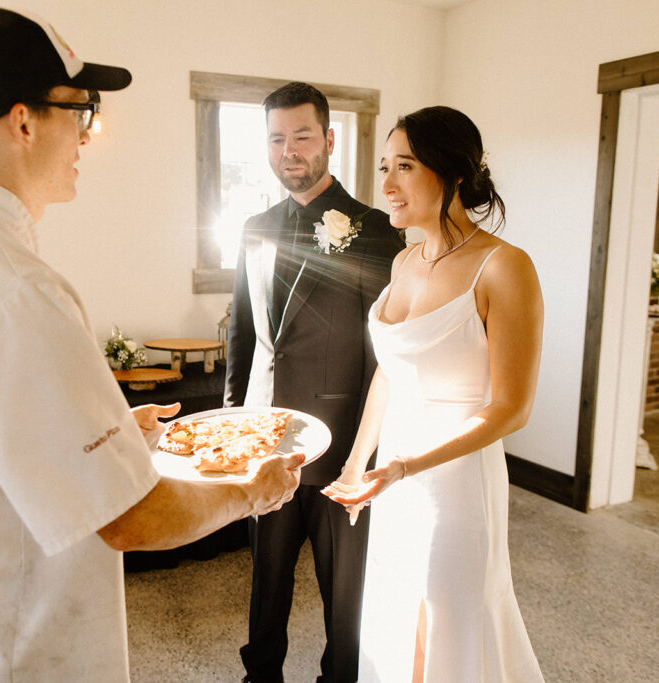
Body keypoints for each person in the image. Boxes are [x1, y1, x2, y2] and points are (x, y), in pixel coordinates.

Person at [0, 5, 302, 681]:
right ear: (23, 121)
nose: (88, 134)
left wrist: (113, 432)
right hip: (26, 648)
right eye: (81, 108)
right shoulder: (17, 290)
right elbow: (132, 519)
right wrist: (252, 491)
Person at [322, 105, 545, 682]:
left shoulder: (504, 268)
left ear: (453, 176)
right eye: (385, 166)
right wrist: (356, 465)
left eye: (406, 167)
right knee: (400, 619)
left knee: (450, 618)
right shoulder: (404, 260)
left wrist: (406, 465)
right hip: (394, 475)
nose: (387, 185)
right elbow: (389, 370)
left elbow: (511, 409)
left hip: (456, 482)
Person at [225, 82, 403, 682]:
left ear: (329, 140)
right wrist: (234, 423)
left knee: (343, 589)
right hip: (265, 438)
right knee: (266, 575)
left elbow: (386, 351)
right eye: (277, 139)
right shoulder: (254, 226)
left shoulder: (375, 229)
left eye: (302, 136)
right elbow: (243, 334)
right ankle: (262, 672)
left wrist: (366, 452)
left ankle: (341, 676)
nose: (289, 151)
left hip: (340, 444)